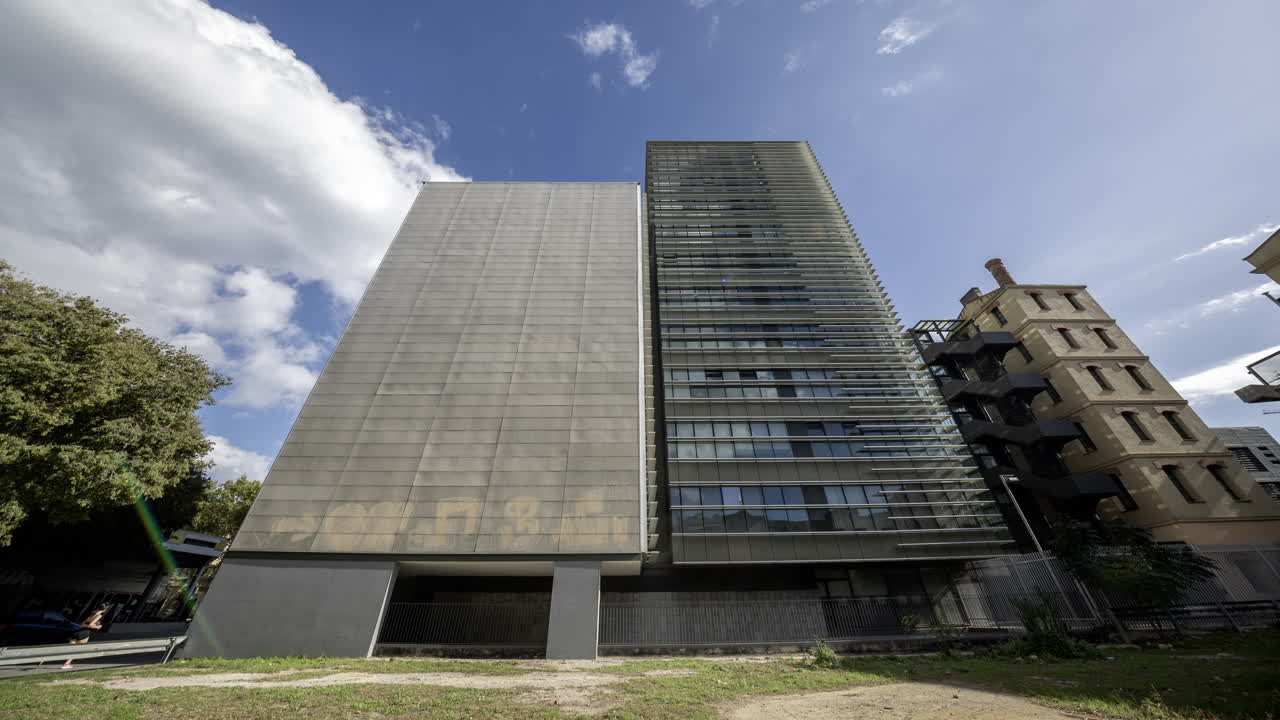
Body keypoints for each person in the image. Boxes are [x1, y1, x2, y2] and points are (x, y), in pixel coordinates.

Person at [61, 604, 107, 670]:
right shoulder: (99, 615)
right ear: (105, 609)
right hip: (84, 633)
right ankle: (66, 664)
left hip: (78, 632)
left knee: (70, 649)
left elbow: (82, 624)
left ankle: (64, 662)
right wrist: (97, 627)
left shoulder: (92, 614)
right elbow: (91, 625)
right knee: (77, 650)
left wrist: (87, 625)